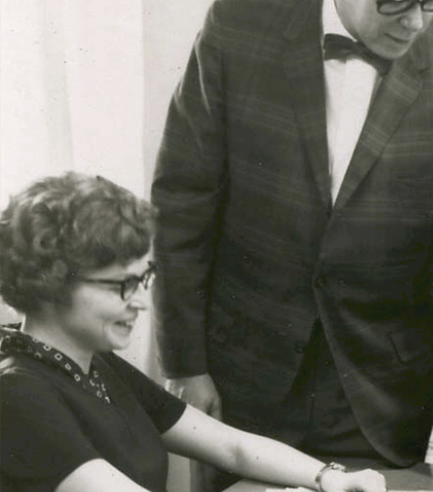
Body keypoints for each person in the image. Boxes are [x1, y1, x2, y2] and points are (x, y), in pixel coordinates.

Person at [151, 0, 433, 490]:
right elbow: (179, 209)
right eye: (395, 0)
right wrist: (185, 368)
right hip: (240, 387)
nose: (415, 23)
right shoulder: (235, 30)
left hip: (376, 396)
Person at [0, 172, 388, 492]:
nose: (140, 302)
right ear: (50, 283)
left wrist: (330, 479)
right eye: (121, 285)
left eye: (142, 280)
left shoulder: (95, 364)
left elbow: (230, 446)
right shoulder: (17, 392)